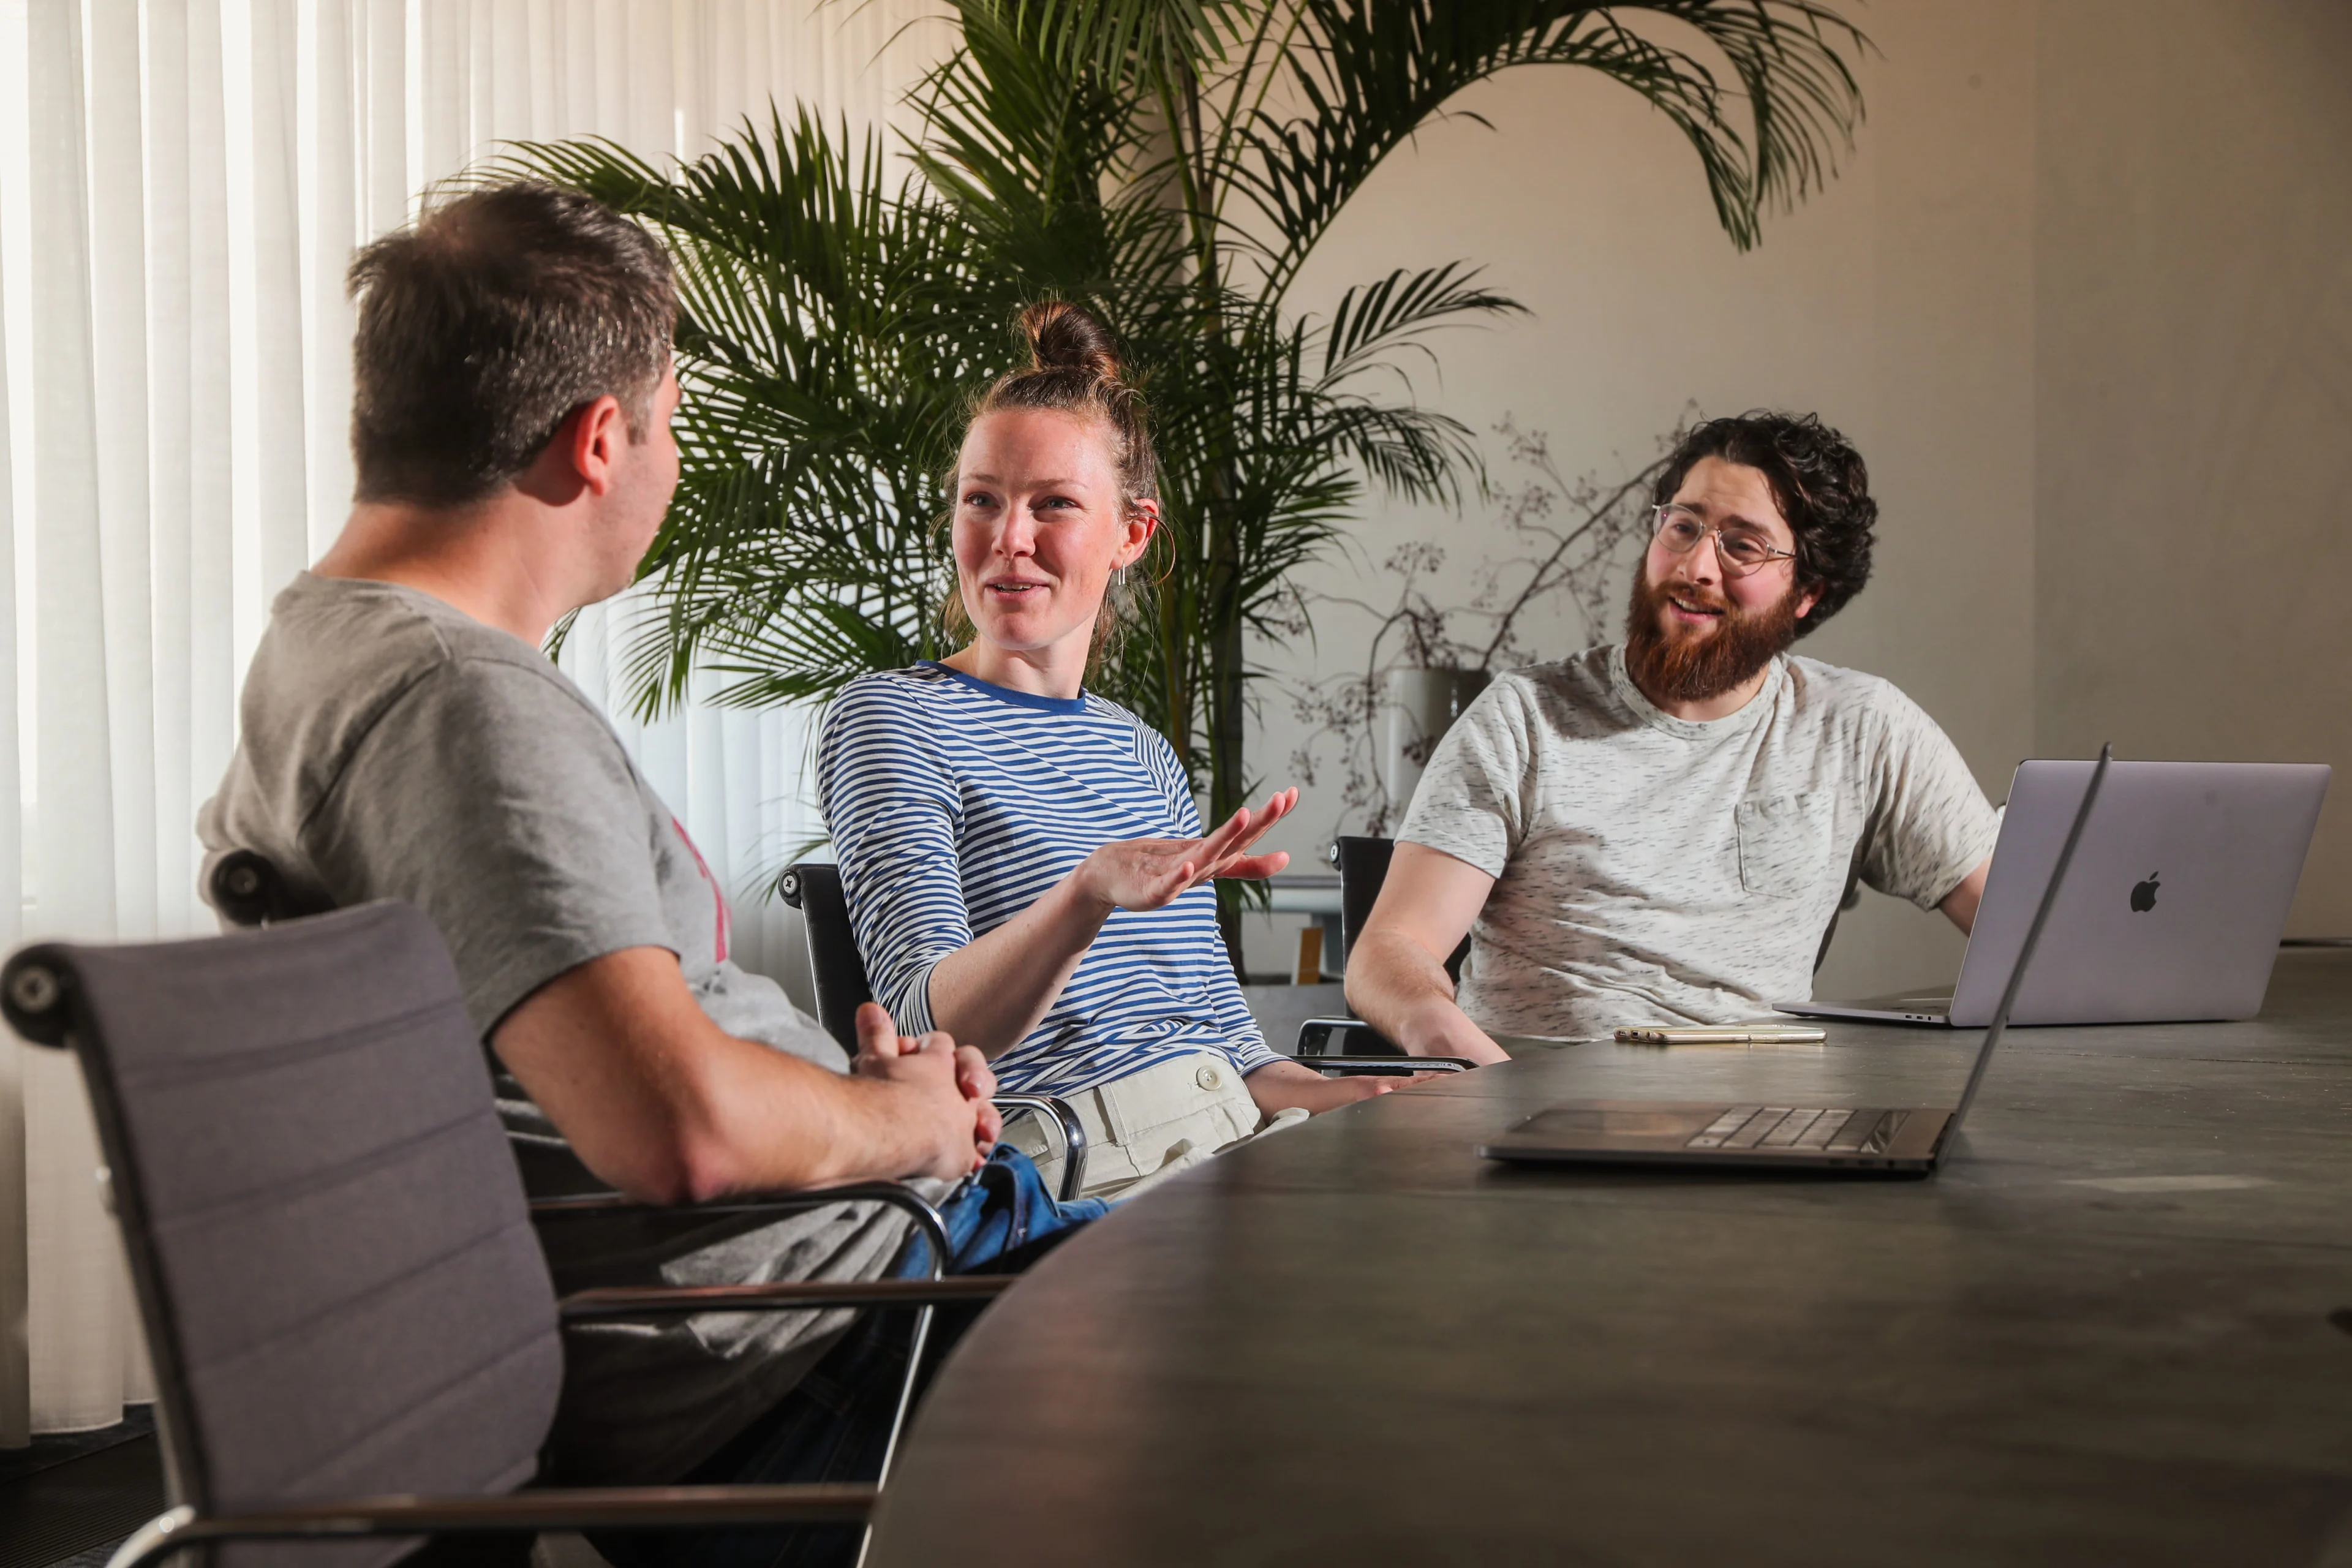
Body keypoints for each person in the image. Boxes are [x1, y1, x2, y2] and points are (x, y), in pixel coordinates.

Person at [196, 182, 1103, 1566]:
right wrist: (907, 1126)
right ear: (600, 438)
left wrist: (866, 1100)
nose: (671, 456)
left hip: (857, 1291)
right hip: (833, 1350)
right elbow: (671, 1124)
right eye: (671, 422)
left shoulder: (326, 650)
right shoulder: (455, 700)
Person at [816, 302, 1415, 1200]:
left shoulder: (1141, 753)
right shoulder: (894, 720)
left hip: (1236, 1134)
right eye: (983, 500)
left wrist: (1373, 1102)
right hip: (1076, 1168)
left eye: (1053, 504)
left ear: (1131, 534)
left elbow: (1233, 1048)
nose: (1009, 539)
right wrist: (1086, 893)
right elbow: (927, 1024)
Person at [1344, 412, 2000, 1061]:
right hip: (1537, 1118)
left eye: (1741, 545)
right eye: (1683, 527)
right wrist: (1445, 1037)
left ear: (1806, 592)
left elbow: (2025, 933)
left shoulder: (1860, 729)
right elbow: (1390, 950)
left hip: (1762, 1136)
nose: (1695, 566)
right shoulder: (1525, 719)